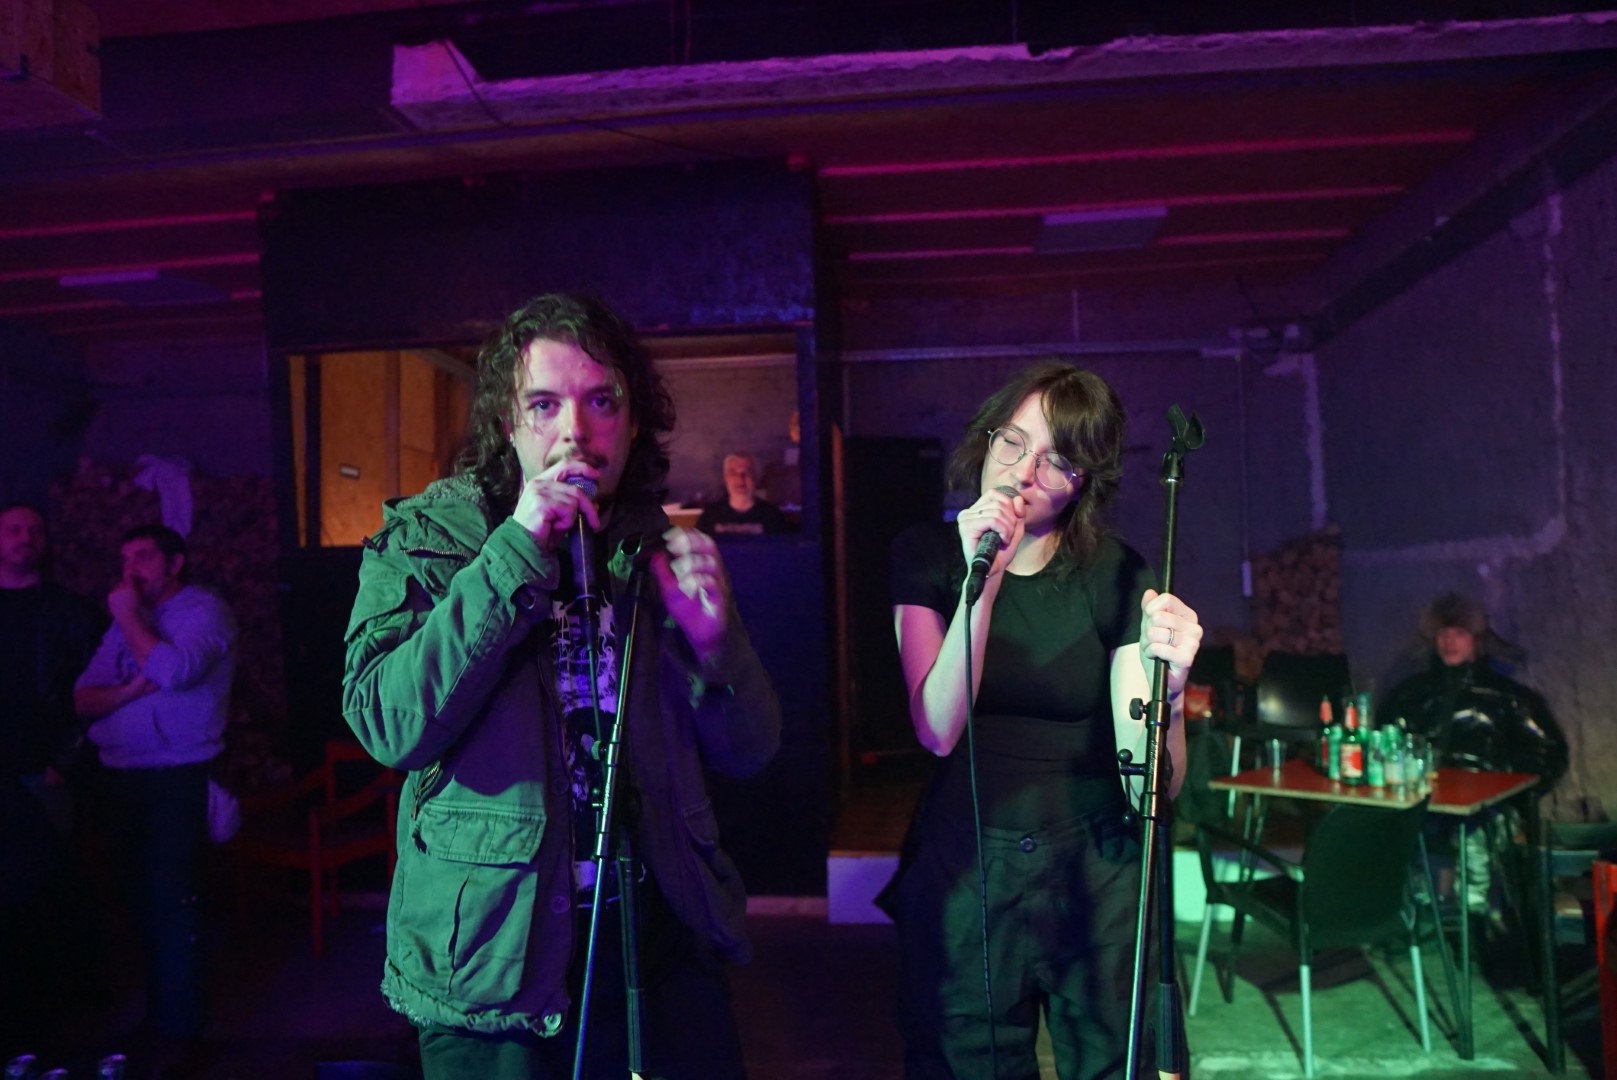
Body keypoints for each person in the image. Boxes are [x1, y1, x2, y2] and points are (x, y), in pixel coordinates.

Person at [341, 292, 781, 1079]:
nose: (574, 430)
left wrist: (718, 647)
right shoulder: (430, 540)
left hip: (653, 940)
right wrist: (515, 550)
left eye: (601, 401)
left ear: (634, 422)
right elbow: (390, 726)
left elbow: (750, 750)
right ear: (507, 424)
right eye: (543, 404)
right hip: (493, 961)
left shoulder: (655, 550)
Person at [880, 362, 1202, 1080]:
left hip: (1095, 863)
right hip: (969, 861)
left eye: (1056, 460)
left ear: (1083, 482)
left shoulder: (1115, 573)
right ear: (986, 437)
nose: (1023, 472)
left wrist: (1174, 697)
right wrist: (984, 583)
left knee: (1115, 1060)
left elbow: (1153, 782)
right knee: (966, 1060)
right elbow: (937, 728)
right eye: (1012, 442)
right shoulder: (925, 556)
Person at [73, 523, 238, 1072]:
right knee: (138, 902)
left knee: (174, 901)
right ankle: (160, 1015)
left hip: (177, 777)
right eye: (125, 559)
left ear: (175, 562)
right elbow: (82, 698)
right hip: (120, 777)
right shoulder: (129, 621)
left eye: (143, 556)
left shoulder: (204, 613)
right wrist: (129, 690)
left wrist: (127, 617)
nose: (131, 570)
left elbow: (175, 671)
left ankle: (182, 1032)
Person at [1380, 592, 1567, 924]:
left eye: (1459, 633)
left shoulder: (1509, 697)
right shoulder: (1411, 694)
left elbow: (1549, 753)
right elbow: (1384, 741)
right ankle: (1419, 919)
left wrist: (1501, 783)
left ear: (1476, 640)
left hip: (1490, 810)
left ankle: (1476, 921)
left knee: (1474, 833)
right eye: (1443, 632)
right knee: (1403, 827)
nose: (1449, 641)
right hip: (1424, 803)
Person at [0, 502, 103, 1054]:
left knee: (49, 887)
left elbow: (97, 689)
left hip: (45, 774)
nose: (25, 537)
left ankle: (51, 1013)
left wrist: (65, 761)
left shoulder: (70, 612)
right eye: (14, 529)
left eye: (34, 530)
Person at [695, 452, 791, 536]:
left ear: (756, 478)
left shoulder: (773, 516)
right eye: (733, 473)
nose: (740, 479)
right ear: (725, 479)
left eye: (747, 473)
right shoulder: (709, 516)